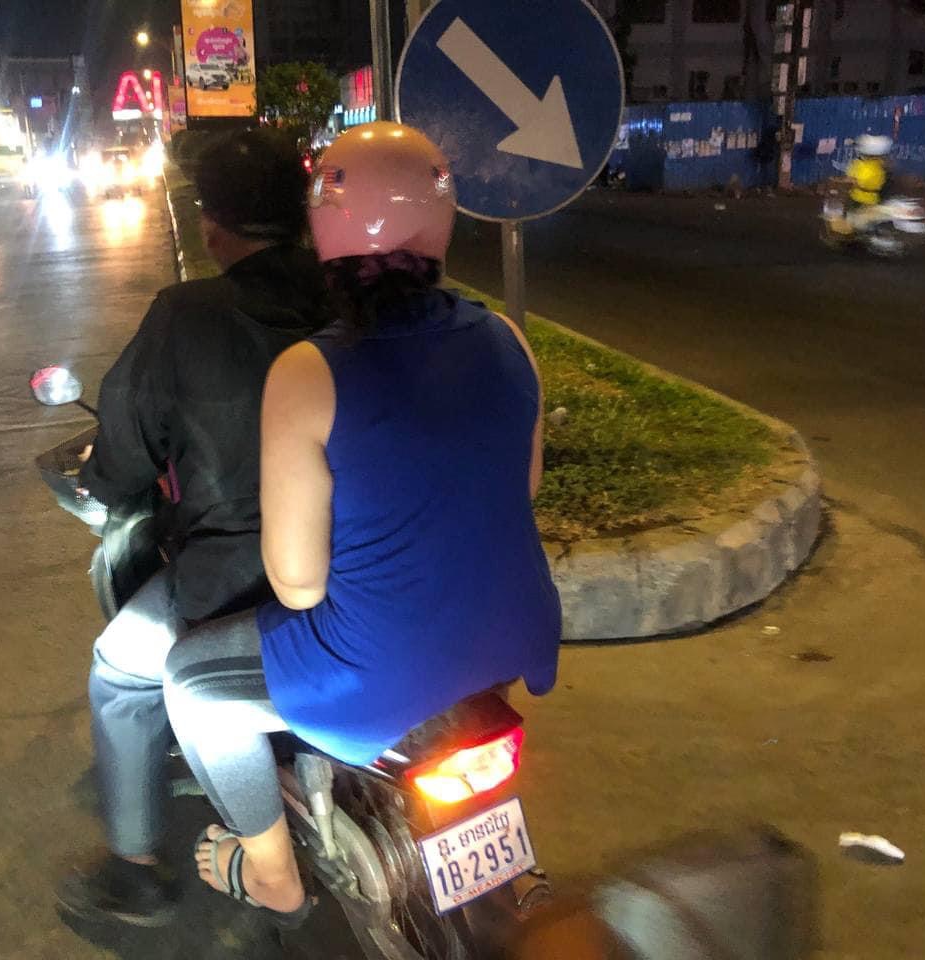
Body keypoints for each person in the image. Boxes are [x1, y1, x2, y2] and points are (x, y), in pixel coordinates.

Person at [160, 121, 562, 925]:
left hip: (380, 667)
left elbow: (298, 585)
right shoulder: (508, 339)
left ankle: (272, 872)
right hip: (515, 632)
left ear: (324, 231)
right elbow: (524, 486)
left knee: (191, 684)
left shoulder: (308, 371)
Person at [56, 128, 328, 927]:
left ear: (210, 225)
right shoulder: (354, 299)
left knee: (119, 671)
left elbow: (126, 447)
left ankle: (136, 871)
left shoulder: (185, 316)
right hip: (363, 563)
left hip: (235, 573)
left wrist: (102, 480)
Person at [846, 133, 892, 231]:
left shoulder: (873, 167)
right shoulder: (873, 165)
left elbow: (853, 181)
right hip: (862, 199)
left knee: (860, 225)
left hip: (866, 201)